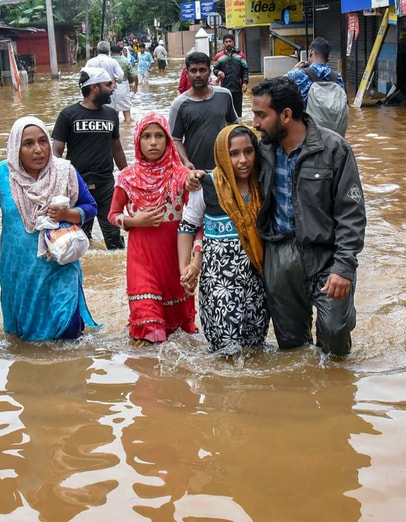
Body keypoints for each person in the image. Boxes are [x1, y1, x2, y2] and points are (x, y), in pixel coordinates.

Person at [250, 76, 366, 357]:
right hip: (279, 255)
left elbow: (352, 213)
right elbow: (227, 174)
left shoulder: (334, 149)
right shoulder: (259, 151)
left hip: (326, 256)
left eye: (261, 115)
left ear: (286, 116)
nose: (254, 123)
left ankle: (336, 395)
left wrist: (344, 267)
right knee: (291, 346)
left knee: (335, 335)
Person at [0, 116, 99, 341]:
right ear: (15, 148)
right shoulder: (3, 174)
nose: (38, 150)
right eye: (28, 144)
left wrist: (67, 214)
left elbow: (90, 206)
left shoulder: (64, 171)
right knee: (28, 339)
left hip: (60, 265)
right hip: (20, 270)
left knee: (68, 331)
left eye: (43, 141)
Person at [178, 124, 269, 355]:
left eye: (248, 151)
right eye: (234, 153)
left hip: (257, 282)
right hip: (219, 284)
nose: (243, 160)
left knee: (254, 349)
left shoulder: (263, 184)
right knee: (225, 352)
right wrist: (185, 267)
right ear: (221, 154)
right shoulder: (207, 184)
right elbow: (187, 227)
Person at [108, 112, 196, 345]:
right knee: (150, 330)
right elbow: (112, 215)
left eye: (159, 136)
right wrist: (134, 222)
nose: (153, 142)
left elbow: (196, 221)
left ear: (168, 141)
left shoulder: (182, 177)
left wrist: (193, 262)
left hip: (174, 260)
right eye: (146, 136)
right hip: (141, 260)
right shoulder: (127, 178)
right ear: (137, 141)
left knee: (178, 337)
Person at [52, 67, 128, 250]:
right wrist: (55, 184)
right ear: (94, 87)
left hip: (106, 186)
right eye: (108, 84)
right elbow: (56, 153)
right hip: (78, 188)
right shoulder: (68, 115)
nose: (112, 88)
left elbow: (117, 149)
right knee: (78, 241)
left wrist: (128, 177)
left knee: (114, 241)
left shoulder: (111, 114)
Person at [168, 51, 238, 171]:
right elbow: (175, 139)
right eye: (193, 71)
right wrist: (186, 162)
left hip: (223, 168)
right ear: (187, 74)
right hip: (194, 171)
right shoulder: (179, 104)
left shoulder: (224, 95)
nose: (198, 75)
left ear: (209, 72)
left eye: (202, 70)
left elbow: (234, 126)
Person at [286, 37, 345, 102]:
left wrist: (294, 70)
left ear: (311, 53)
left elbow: (276, 87)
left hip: (308, 112)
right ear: (328, 58)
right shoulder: (337, 77)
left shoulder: (300, 74)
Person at [213, 34, 249, 121]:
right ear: (223, 43)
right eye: (226, 42)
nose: (228, 43)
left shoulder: (240, 55)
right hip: (225, 89)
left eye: (230, 41)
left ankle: (237, 130)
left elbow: (245, 70)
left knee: (238, 113)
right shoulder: (219, 56)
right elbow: (214, 69)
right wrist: (218, 72)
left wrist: (245, 82)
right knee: (226, 112)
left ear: (233, 42)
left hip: (237, 89)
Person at [110, 43, 137, 124]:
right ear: (121, 52)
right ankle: (128, 131)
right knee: (126, 112)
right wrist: (136, 86)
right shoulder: (125, 61)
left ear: (111, 52)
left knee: (114, 112)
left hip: (110, 87)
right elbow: (134, 75)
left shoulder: (108, 61)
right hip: (124, 87)